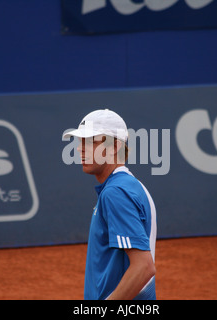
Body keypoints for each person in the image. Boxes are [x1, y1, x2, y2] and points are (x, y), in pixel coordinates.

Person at [63, 109, 157, 300]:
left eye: (90, 142)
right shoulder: (130, 186)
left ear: (114, 147)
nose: (80, 148)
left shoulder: (116, 193)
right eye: (81, 142)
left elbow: (144, 266)